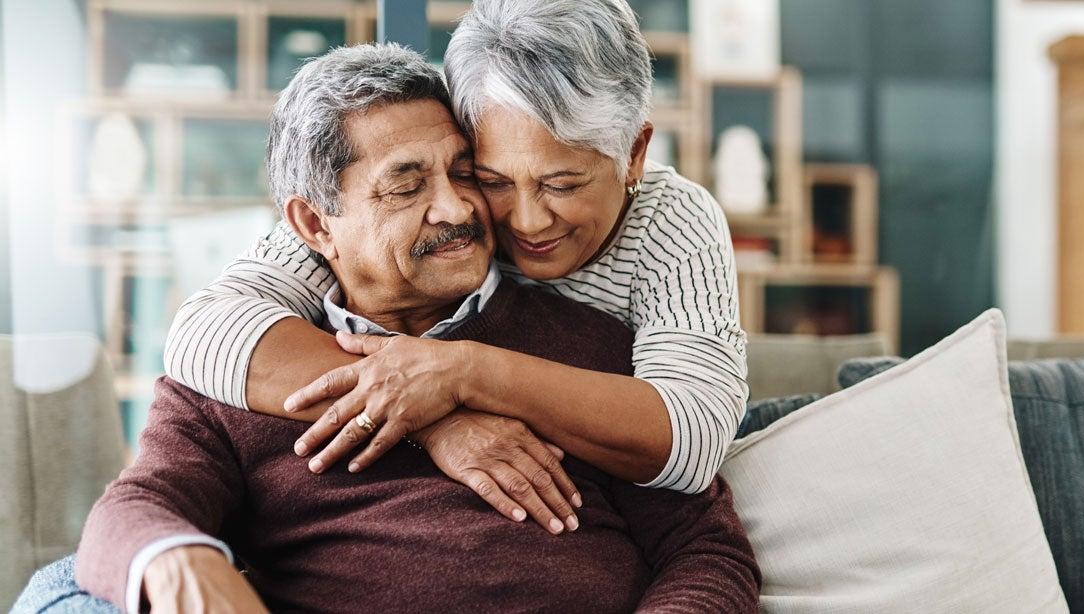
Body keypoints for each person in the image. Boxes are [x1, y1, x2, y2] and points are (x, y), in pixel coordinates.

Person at [51, 43, 759, 613]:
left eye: (463, 173)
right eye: (406, 185)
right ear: (312, 225)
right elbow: (131, 512)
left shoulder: (589, 351)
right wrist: (180, 564)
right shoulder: (240, 371)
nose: (457, 209)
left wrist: (462, 380)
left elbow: (707, 553)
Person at [162, 0, 747, 527]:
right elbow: (203, 332)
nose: (526, 222)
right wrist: (432, 414)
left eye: (562, 183)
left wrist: (462, 373)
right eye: (490, 179)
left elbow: (693, 442)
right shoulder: (425, 208)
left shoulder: (672, 222)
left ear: (634, 155)